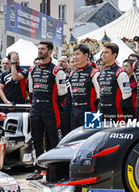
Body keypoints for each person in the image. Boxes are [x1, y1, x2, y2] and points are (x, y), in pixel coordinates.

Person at [27, 41, 67, 180]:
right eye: (38, 49)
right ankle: (38, 170)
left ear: (50, 51)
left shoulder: (57, 70)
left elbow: (63, 94)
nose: (40, 51)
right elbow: (31, 91)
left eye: (42, 49)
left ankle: (53, 171)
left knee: (53, 141)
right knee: (36, 140)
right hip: (35, 109)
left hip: (51, 110)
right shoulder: (33, 69)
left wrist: (51, 104)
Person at [98, 43, 133, 121]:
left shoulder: (121, 73)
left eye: (106, 53)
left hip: (115, 113)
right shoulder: (102, 72)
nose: (103, 55)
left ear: (114, 55)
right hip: (101, 112)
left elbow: (127, 97)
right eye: (102, 53)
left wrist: (127, 117)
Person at [69, 44, 100, 130]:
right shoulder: (72, 73)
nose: (75, 57)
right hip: (75, 111)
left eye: (78, 54)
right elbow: (72, 94)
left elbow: (100, 95)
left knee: (91, 139)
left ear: (86, 55)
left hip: (91, 111)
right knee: (76, 139)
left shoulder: (94, 72)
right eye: (74, 54)